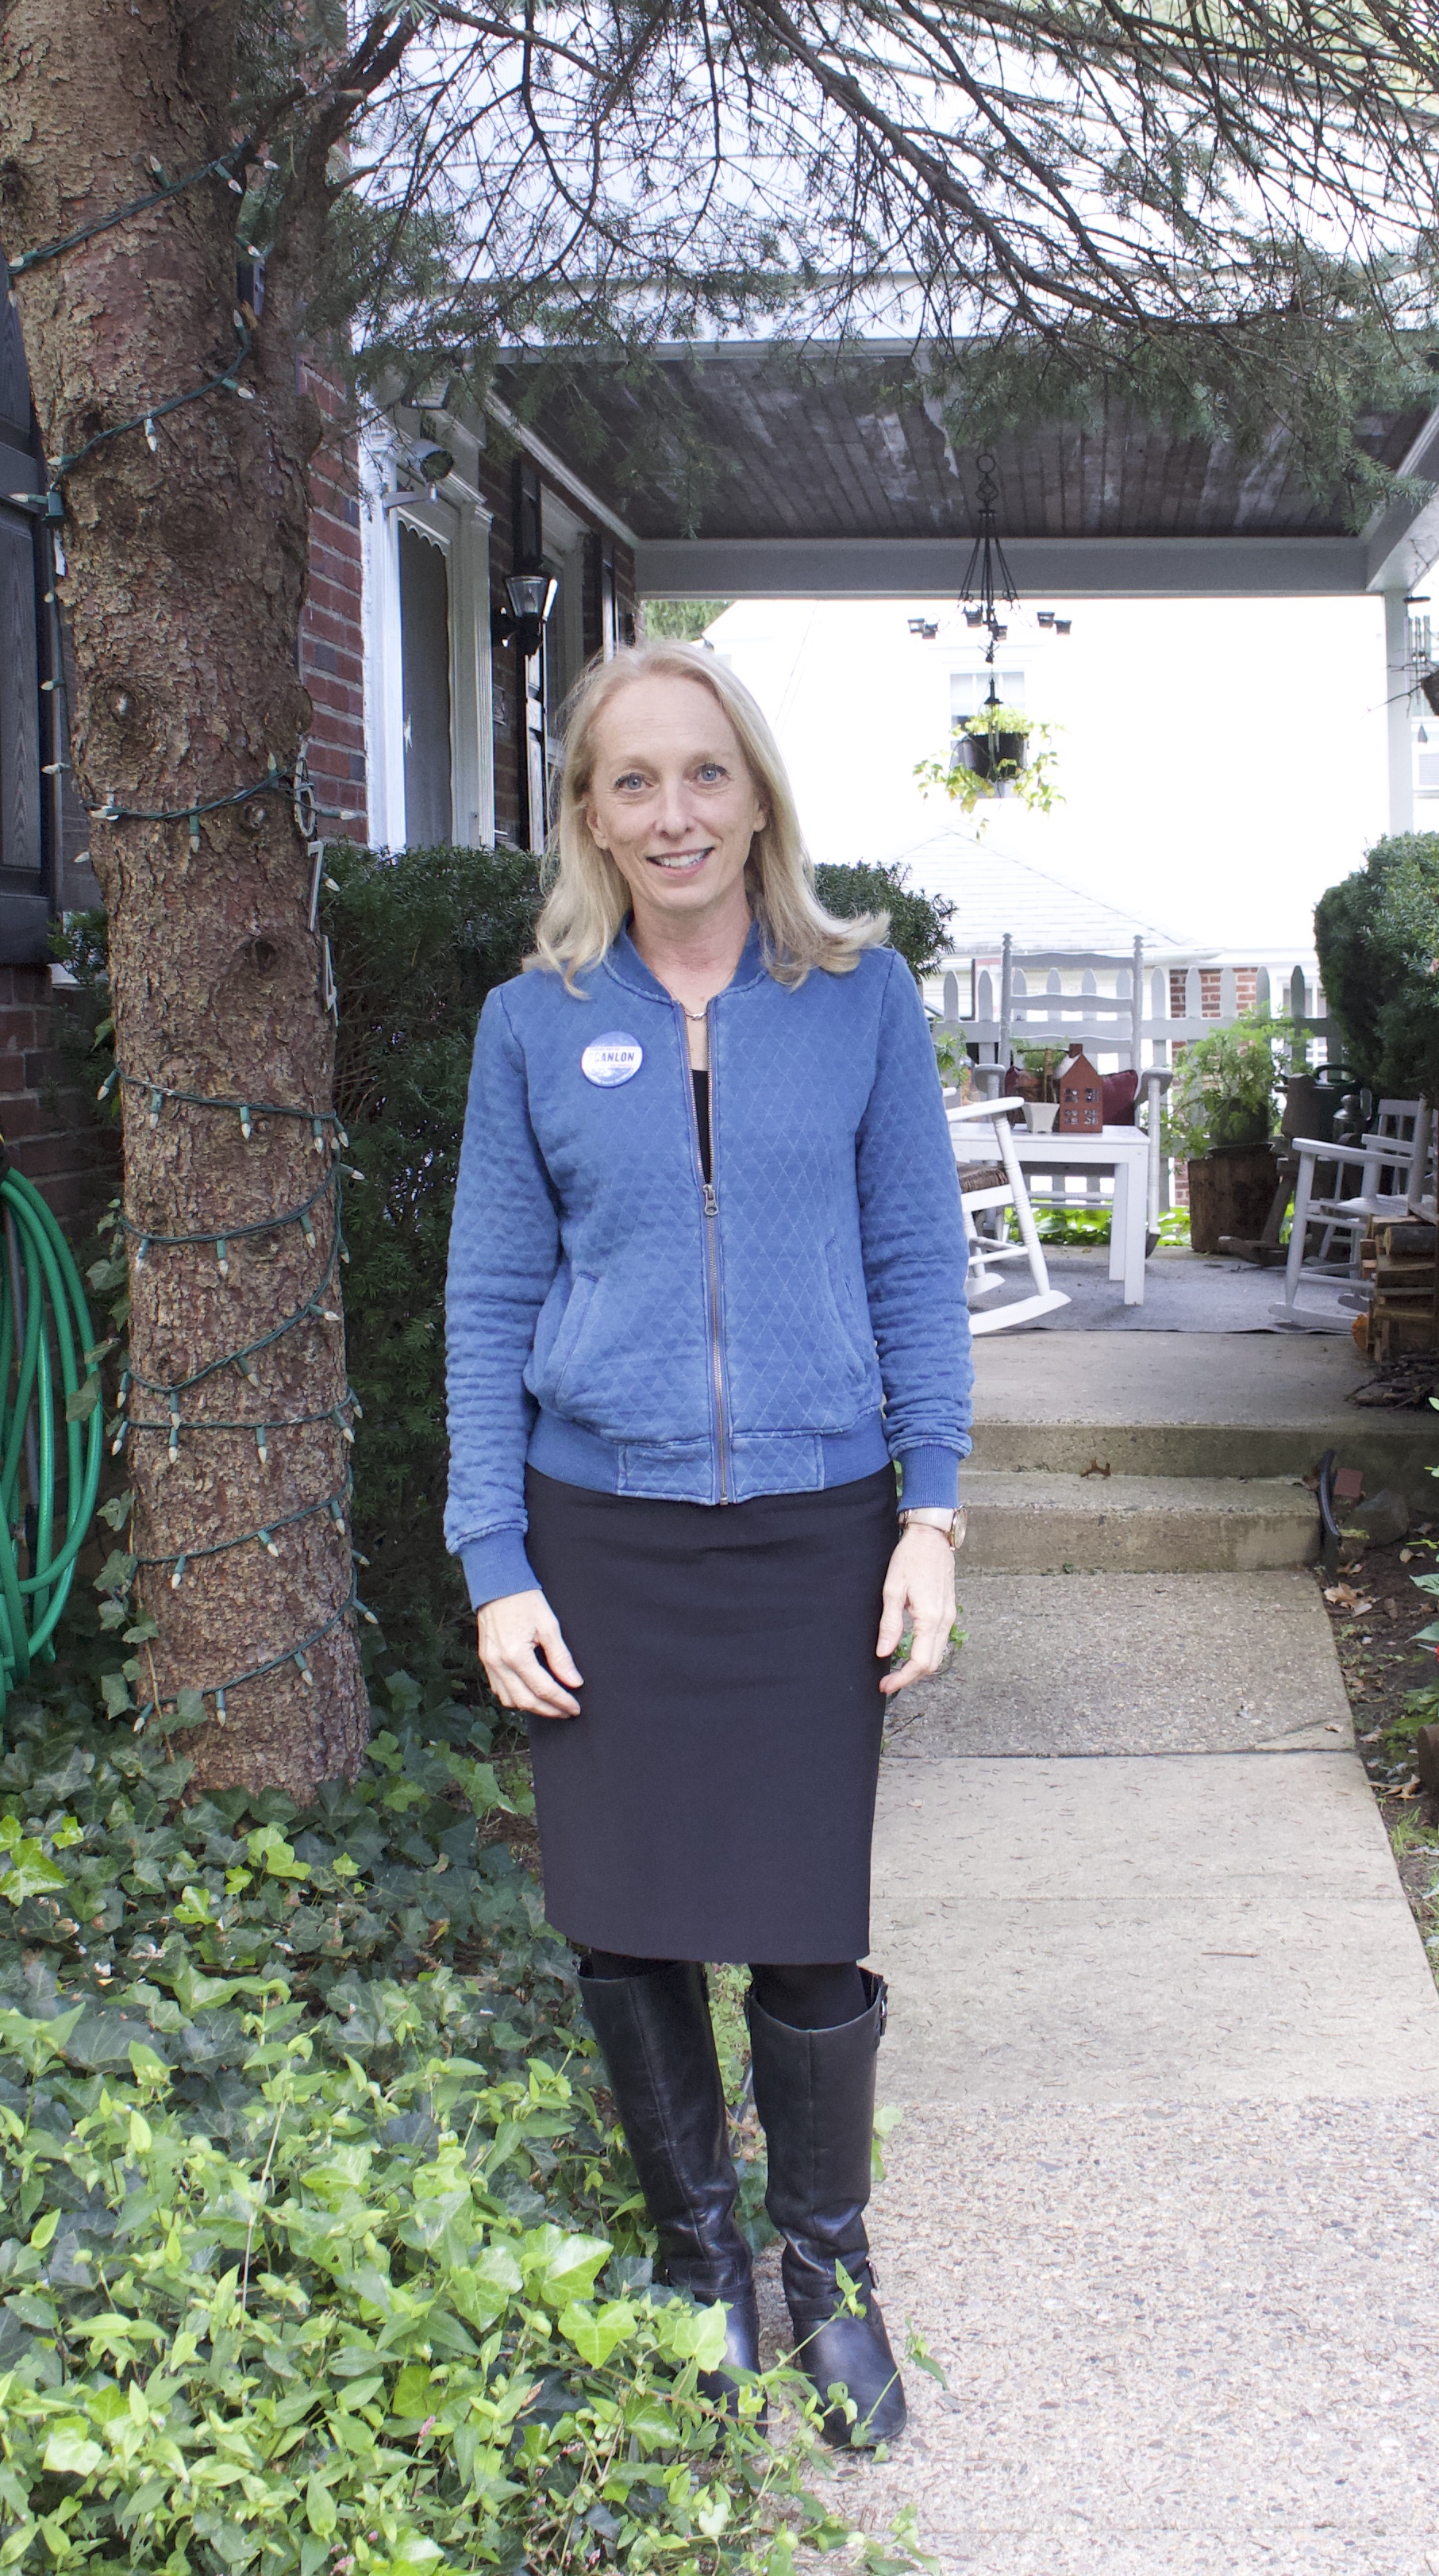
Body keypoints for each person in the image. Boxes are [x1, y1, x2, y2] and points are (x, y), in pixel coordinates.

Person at [441, 640, 968, 2451]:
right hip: (606, 1531)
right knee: (627, 1928)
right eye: (632, 781)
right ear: (588, 812)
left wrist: (930, 1515)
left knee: (809, 1932)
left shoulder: (857, 996)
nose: (673, 813)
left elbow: (919, 1263)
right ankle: (693, 2263)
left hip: (817, 1524)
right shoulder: (535, 1023)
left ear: (758, 794)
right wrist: (493, 1556)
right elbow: (489, 1297)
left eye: (703, 773)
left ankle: (824, 2271)